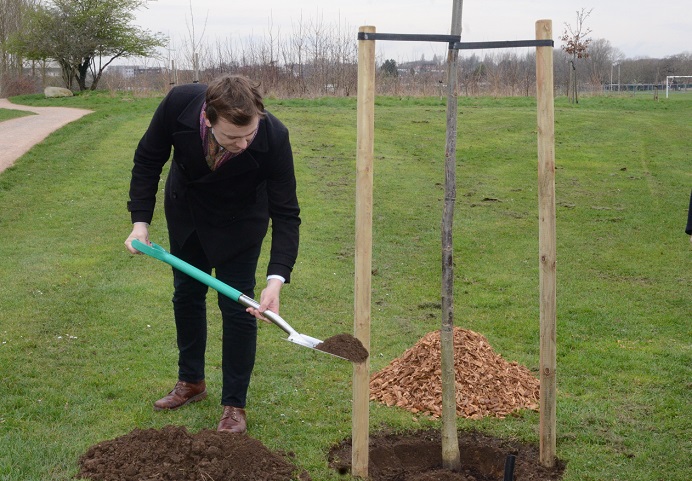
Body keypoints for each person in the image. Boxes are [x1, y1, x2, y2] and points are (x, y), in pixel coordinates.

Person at [124, 74, 301, 434]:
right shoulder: (178, 105)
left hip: (240, 222)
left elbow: (286, 213)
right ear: (207, 118)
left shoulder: (274, 137)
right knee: (186, 295)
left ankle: (234, 404)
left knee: (238, 308)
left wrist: (276, 279)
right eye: (233, 137)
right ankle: (191, 383)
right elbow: (147, 159)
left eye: (249, 133)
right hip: (187, 213)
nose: (244, 143)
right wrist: (140, 222)